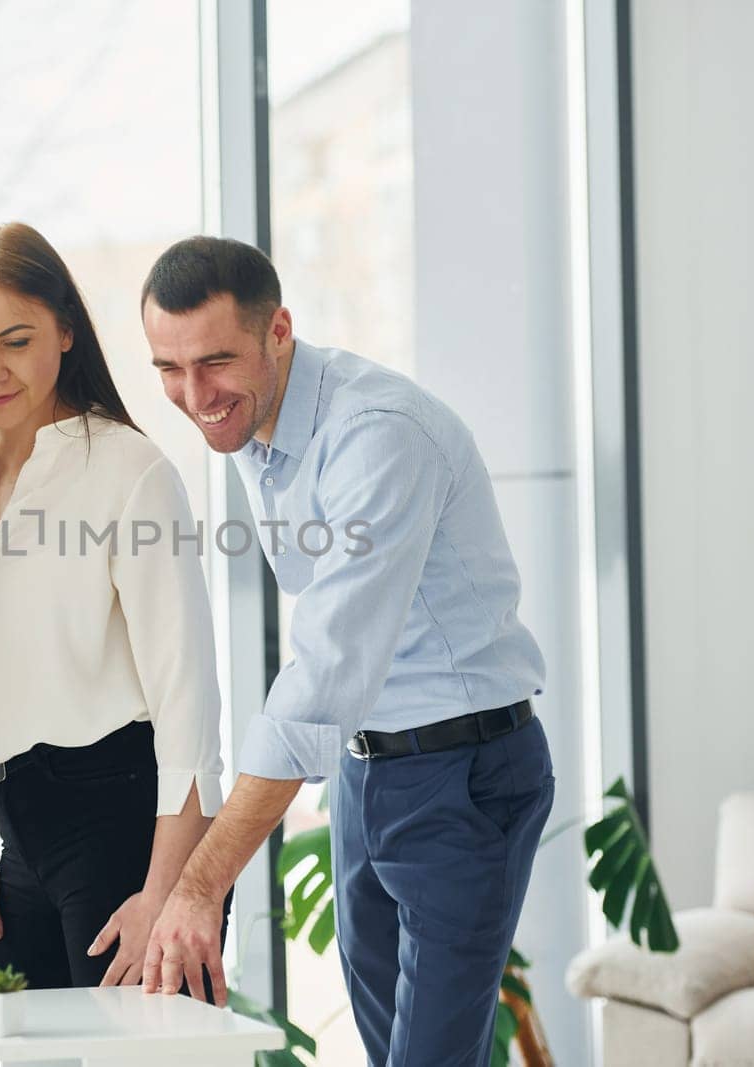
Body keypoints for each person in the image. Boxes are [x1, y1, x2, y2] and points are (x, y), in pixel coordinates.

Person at [137, 236, 554, 1067]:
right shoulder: (256, 423)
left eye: (215, 361)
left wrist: (198, 882)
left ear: (279, 329)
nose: (194, 394)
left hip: (464, 771)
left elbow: (325, 671)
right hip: (370, 772)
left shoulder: (376, 436)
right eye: (169, 369)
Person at [0, 222, 225, 997]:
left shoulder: (129, 471)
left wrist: (169, 895)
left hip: (123, 834)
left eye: (16, 340)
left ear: (66, 332)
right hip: (14, 839)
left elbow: (189, 710)